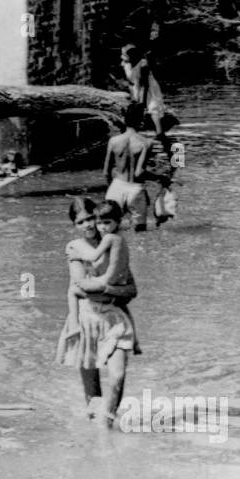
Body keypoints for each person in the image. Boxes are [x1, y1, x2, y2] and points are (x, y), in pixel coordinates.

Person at [56, 198, 138, 424]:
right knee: (92, 393)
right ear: (75, 225)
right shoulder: (74, 247)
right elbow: (80, 286)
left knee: (117, 376)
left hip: (115, 318)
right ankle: (98, 442)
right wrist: (112, 291)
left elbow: (132, 289)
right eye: (81, 221)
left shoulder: (114, 244)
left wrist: (106, 289)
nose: (89, 225)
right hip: (86, 318)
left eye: (91, 218)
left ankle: (108, 424)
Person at [103, 103, 154, 232]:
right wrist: (161, 177)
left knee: (110, 232)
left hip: (116, 187)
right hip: (135, 190)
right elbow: (139, 173)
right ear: (141, 120)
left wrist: (112, 187)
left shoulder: (113, 141)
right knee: (140, 234)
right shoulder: (146, 143)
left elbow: (106, 172)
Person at [120, 40, 173, 154]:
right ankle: (141, 157)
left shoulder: (143, 64)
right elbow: (132, 82)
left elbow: (145, 85)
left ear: (132, 55)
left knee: (159, 133)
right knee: (134, 131)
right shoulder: (127, 64)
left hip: (150, 95)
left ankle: (174, 159)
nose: (122, 57)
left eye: (124, 54)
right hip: (138, 93)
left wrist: (142, 103)